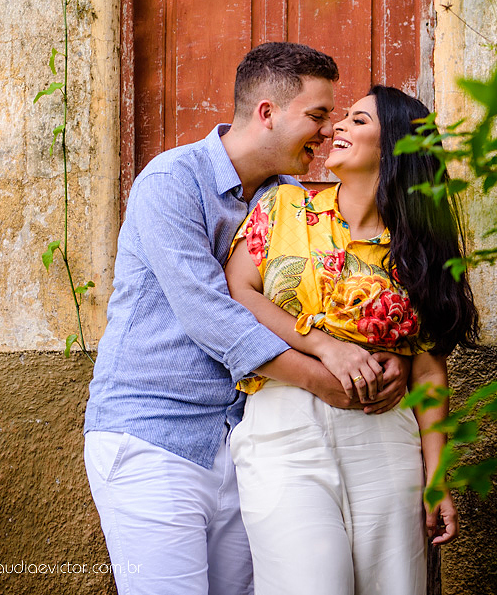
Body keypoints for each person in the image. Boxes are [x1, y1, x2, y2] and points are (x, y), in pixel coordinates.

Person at [84, 43, 410, 595]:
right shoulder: (172, 181)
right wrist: (325, 374)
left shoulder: (291, 202)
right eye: (317, 115)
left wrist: (396, 360)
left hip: (240, 441)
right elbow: (209, 310)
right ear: (267, 113)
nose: (328, 130)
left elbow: (343, 292)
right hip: (154, 435)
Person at [225, 84, 480, 595]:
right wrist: (321, 343)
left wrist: (437, 480)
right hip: (283, 427)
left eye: (359, 121)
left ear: (398, 149)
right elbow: (239, 292)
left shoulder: (417, 249)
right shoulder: (284, 205)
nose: (337, 127)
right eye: (342, 119)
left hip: (384, 437)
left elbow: (430, 371)